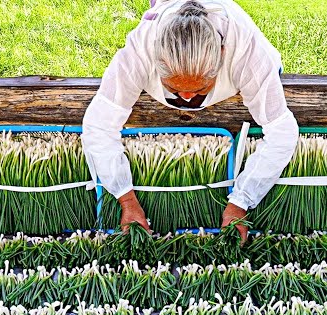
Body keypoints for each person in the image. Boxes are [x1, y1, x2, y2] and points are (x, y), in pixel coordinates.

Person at [82, 0, 299, 241]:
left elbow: (281, 132)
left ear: (222, 55)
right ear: (156, 59)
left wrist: (241, 202)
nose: (185, 98)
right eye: (174, 87)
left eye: (199, 88)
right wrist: (126, 198)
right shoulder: (139, 52)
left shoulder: (248, 54)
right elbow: (99, 125)